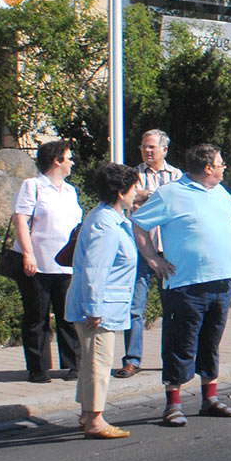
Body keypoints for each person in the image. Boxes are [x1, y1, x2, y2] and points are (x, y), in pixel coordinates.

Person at [132, 143, 231, 427]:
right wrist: (151, 257)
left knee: (211, 342)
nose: (224, 168)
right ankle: (173, 404)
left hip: (221, 280)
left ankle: (210, 399)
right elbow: (139, 222)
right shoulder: (170, 194)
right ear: (207, 167)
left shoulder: (223, 194)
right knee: (179, 343)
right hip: (185, 284)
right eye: (221, 163)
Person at [65, 162, 141, 439]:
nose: (137, 193)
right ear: (121, 193)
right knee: (99, 361)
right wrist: (94, 308)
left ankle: (87, 413)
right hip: (100, 307)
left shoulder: (107, 218)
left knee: (90, 361)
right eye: (134, 188)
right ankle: (96, 419)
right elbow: (95, 269)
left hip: (103, 304)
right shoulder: (106, 224)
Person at [10, 140, 83, 383]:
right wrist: (28, 254)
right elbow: (21, 219)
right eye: (69, 158)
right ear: (57, 160)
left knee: (68, 315)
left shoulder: (70, 190)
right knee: (36, 315)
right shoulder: (32, 186)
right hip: (37, 263)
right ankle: (37, 367)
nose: (72, 162)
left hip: (65, 264)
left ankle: (73, 363)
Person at [117, 129, 182, 378]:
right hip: (140, 249)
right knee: (134, 307)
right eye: (144, 146)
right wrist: (153, 198)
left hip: (169, 250)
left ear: (164, 149)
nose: (147, 151)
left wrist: (147, 196)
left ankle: (172, 358)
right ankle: (132, 360)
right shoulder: (132, 175)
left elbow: (176, 205)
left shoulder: (177, 176)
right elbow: (128, 203)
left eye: (152, 147)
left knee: (173, 307)